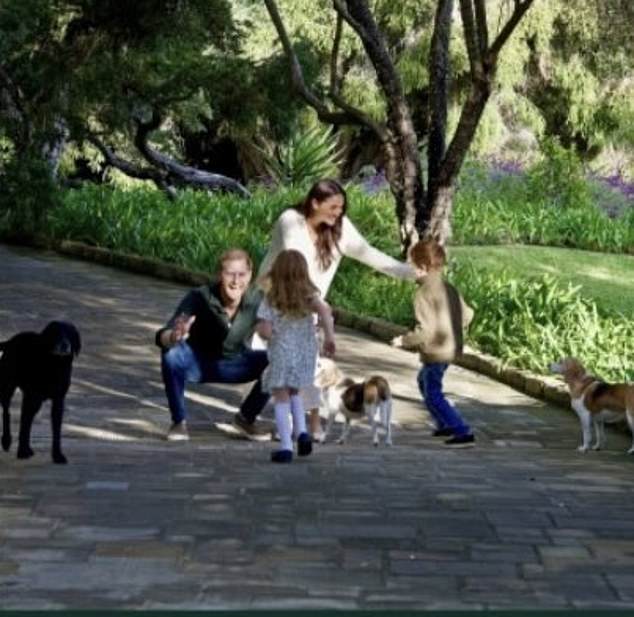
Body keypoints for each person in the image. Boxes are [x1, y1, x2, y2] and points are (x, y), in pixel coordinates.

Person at [257, 178, 421, 437]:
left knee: (307, 367)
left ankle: (306, 426)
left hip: (309, 306)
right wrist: (318, 304)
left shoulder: (340, 228)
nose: (339, 213)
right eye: (333, 207)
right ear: (314, 203)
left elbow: (369, 254)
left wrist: (410, 273)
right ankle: (281, 424)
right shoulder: (291, 221)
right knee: (280, 366)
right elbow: (296, 265)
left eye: (341, 208)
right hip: (277, 300)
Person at [156, 248, 270, 441]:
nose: (235, 281)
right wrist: (174, 336)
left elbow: (272, 329)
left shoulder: (257, 299)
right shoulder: (200, 296)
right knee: (171, 354)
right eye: (229, 274)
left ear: (250, 275)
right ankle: (178, 422)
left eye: (241, 274)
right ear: (219, 274)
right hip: (197, 363)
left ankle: (245, 419)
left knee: (277, 360)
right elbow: (162, 335)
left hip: (235, 363)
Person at [391, 239, 476, 447]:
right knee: (424, 381)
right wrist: (451, 328)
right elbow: (468, 315)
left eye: (412, 264)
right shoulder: (449, 288)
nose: (410, 268)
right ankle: (443, 423)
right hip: (451, 348)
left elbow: (424, 331)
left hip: (436, 352)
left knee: (433, 391)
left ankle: (461, 430)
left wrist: (403, 340)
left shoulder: (422, 294)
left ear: (422, 268)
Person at [256, 250, 336, 463]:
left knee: (281, 397)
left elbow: (264, 330)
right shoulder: (309, 297)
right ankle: (301, 433)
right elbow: (326, 313)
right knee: (295, 393)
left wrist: (268, 334)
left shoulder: (271, 300)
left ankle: (285, 446)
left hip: (282, 352)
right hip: (305, 354)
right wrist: (330, 337)